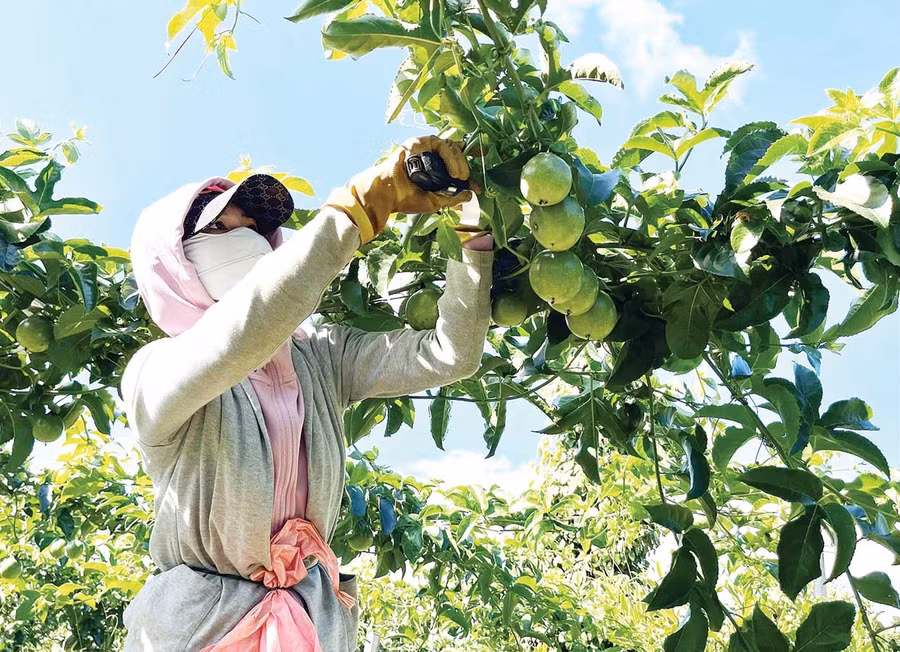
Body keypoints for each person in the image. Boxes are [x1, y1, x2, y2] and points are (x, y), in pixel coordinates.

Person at [120, 136, 494, 651]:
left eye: (255, 227)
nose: (248, 236)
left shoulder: (317, 354)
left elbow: (451, 353)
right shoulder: (155, 372)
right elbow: (243, 334)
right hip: (201, 629)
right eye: (223, 226)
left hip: (308, 622)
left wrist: (472, 240)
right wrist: (361, 207)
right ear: (173, 261)